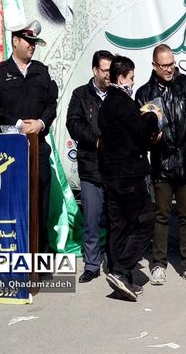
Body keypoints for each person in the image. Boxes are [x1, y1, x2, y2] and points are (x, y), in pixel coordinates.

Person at [135, 44, 186, 286]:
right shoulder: (144, 93)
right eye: (164, 65)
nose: (169, 69)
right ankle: (158, 264)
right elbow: (140, 133)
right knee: (162, 216)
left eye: (172, 64)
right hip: (161, 164)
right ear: (154, 65)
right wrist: (151, 140)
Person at [0, 20, 58, 253]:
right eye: (28, 41)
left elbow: (52, 104)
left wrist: (41, 123)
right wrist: (17, 124)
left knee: (40, 202)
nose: (32, 46)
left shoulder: (41, 71)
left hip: (38, 147)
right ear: (15, 41)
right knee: (7, 200)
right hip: (7, 149)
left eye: (34, 42)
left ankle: (40, 253)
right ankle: (8, 250)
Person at [98, 55, 159, 301]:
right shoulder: (122, 103)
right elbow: (141, 134)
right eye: (131, 77)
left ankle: (120, 277)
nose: (133, 82)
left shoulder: (106, 104)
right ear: (121, 77)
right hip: (129, 176)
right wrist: (152, 116)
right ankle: (121, 271)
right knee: (145, 222)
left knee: (119, 226)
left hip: (111, 176)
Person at [66, 50, 114, 283]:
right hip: (90, 168)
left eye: (111, 71)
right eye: (105, 71)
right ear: (95, 70)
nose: (109, 75)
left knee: (115, 219)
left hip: (114, 169)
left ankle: (116, 263)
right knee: (92, 220)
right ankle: (92, 264)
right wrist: (95, 140)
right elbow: (73, 123)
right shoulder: (80, 95)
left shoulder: (117, 94)